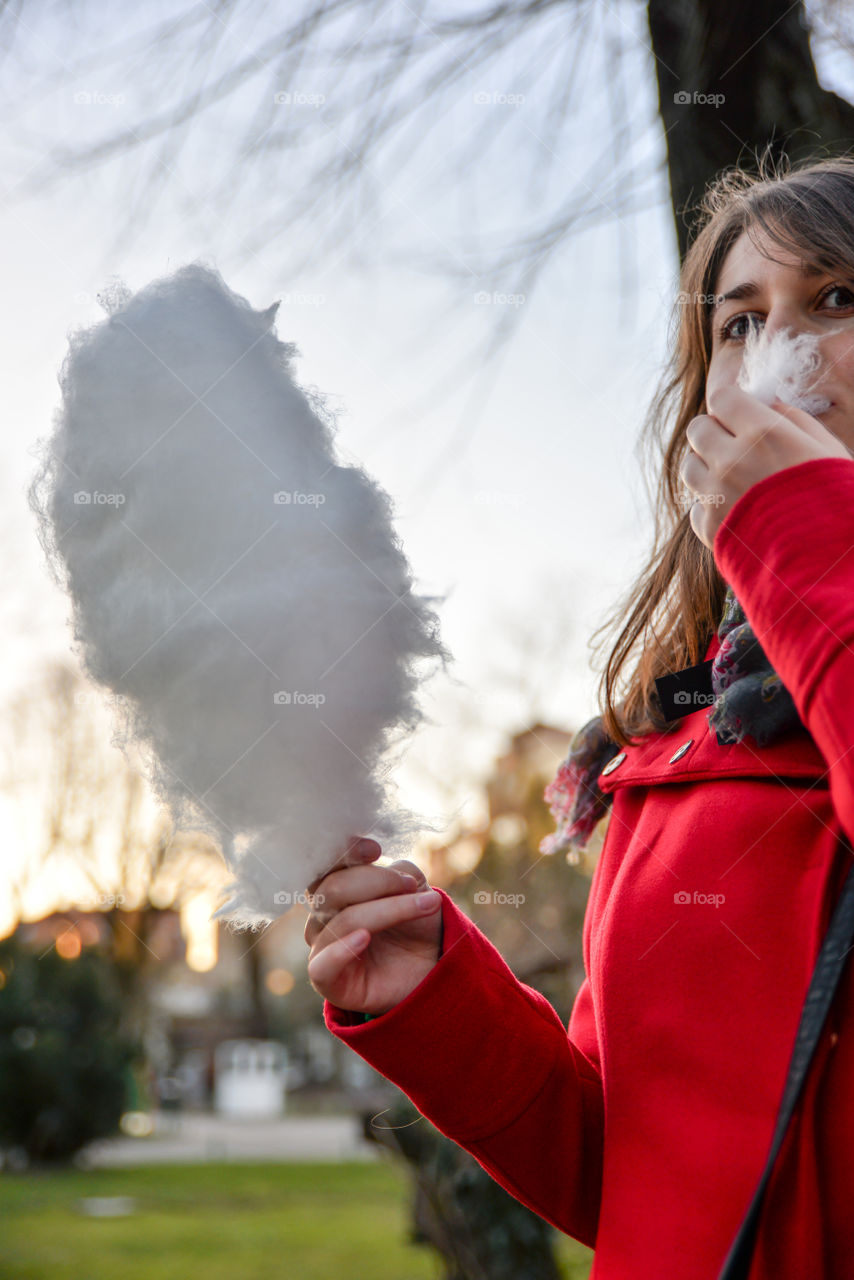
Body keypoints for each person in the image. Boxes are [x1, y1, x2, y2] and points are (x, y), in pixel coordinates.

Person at [303, 152, 854, 1279]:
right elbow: (629, 1174)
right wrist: (438, 1001)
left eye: (836, 298)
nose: (778, 357)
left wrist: (802, 533)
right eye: (737, 323)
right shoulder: (666, 746)